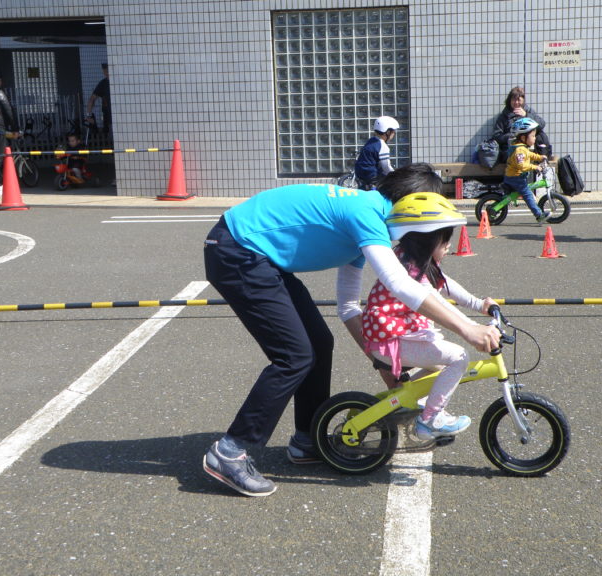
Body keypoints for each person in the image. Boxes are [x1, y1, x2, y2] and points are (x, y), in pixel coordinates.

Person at [202, 163, 500, 497]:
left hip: (258, 257)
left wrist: (382, 360)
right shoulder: (368, 214)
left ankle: (307, 440)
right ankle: (230, 452)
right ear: (413, 202)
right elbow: (399, 283)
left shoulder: (372, 219)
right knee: (294, 356)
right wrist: (467, 329)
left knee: (318, 343)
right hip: (236, 250)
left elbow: (347, 306)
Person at [361, 193, 497, 439]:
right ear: (427, 240)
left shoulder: (413, 259)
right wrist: (472, 327)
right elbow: (440, 304)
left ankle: (415, 403)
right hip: (390, 340)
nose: (448, 247)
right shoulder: (409, 272)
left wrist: (479, 304)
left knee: (439, 363)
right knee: (457, 357)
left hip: (397, 334)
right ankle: (430, 420)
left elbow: (447, 285)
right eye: (444, 242)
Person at [502, 117, 551, 223]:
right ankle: (539, 215)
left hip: (516, 177)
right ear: (523, 137)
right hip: (515, 178)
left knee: (526, 192)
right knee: (528, 194)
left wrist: (540, 157)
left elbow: (530, 155)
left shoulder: (522, 148)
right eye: (532, 136)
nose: (534, 139)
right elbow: (522, 166)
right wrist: (535, 167)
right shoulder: (519, 150)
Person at [492, 86, 552, 161]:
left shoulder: (528, 111)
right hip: (512, 150)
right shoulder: (504, 116)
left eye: (519, 100)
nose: (516, 102)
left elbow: (542, 124)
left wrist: (526, 115)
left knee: (541, 136)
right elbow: (496, 136)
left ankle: (542, 162)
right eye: (514, 100)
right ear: (509, 101)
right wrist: (512, 135)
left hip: (531, 148)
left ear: (523, 100)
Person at [354, 115, 399, 190]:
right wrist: (396, 175)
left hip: (362, 177)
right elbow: (386, 167)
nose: (394, 134)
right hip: (373, 179)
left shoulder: (371, 141)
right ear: (387, 132)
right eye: (393, 132)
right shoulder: (382, 146)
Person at [86, 62, 111, 135]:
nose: (106, 72)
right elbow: (92, 99)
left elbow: (92, 99)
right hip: (108, 115)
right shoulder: (103, 84)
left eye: (107, 70)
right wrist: (88, 115)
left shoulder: (119, 81)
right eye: (104, 71)